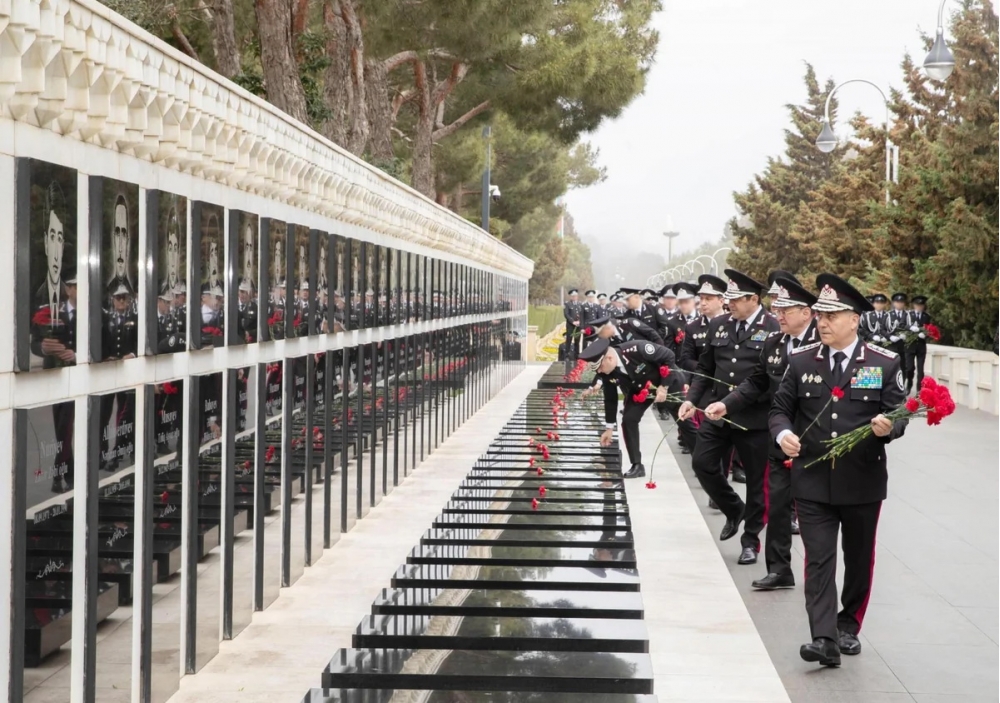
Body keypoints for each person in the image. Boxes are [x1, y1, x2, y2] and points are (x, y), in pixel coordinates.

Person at [771, 273, 908, 667]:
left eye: (832, 316)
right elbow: (780, 409)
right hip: (812, 478)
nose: (823, 323)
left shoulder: (883, 362)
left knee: (859, 558)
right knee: (818, 558)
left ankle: (848, 625)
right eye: (820, 315)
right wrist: (783, 434)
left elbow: (899, 413)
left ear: (854, 319)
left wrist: (888, 427)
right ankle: (824, 637)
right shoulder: (801, 361)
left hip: (862, 480)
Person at [724, 276, 819, 590]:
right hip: (780, 437)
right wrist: (726, 404)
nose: (778, 315)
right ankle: (779, 570)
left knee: (814, 513)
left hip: (815, 442)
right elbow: (756, 383)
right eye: (777, 309)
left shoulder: (824, 342)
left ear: (805, 313)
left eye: (785, 310)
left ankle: (819, 576)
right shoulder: (774, 343)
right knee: (777, 506)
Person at [678, 269, 780, 564]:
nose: (730, 304)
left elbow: (768, 378)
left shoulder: (772, 326)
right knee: (702, 463)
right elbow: (705, 369)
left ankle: (751, 541)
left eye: (736, 299)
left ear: (753, 299)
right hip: (718, 412)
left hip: (754, 418)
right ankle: (734, 508)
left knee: (757, 484)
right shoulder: (719, 325)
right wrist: (691, 400)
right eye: (729, 299)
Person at [581, 337, 678, 479]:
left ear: (609, 358)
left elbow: (669, 356)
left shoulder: (637, 349)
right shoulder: (606, 372)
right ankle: (637, 465)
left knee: (684, 419)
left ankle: (700, 459)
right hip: (641, 391)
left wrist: (664, 386)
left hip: (666, 381)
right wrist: (609, 428)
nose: (599, 372)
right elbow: (610, 399)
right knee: (628, 419)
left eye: (600, 367)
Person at [903, 295, 931, 394]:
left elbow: (929, 329)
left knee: (920, 369)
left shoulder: (926, 316)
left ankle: (919, 390)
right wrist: (910, 327)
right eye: (918, 305)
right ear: (914, 305)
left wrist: (925, 335)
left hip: (921, 346)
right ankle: (909, 382)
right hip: (910, 345)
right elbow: (901, 325)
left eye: (921, 305)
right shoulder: (908, 315)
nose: (919, 307)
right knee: (909, 368)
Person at [886, 293, 909, 359]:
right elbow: (882, 329)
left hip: (905, 345)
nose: (899, 304)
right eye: (897, 302)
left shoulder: (908, 315)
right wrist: (890, 336)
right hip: (892, 345)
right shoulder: (888, 314)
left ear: (904, 303)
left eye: (901, 302)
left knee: (904, 364)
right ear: (893, 303)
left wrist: (907, 335)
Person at [563, 288, 583, 361]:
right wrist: (573, 321)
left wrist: (580, 321)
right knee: (569, 340)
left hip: (578, 326)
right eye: (573, 296)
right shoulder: (567, 304)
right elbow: (566, 314)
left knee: (577, 341)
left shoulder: (580, 304)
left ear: (577, 296)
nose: (574, 297)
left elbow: (582, 314)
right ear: (570, 297)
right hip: (570, 326)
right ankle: (567, 356)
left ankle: (576, 356)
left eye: (575, 296)